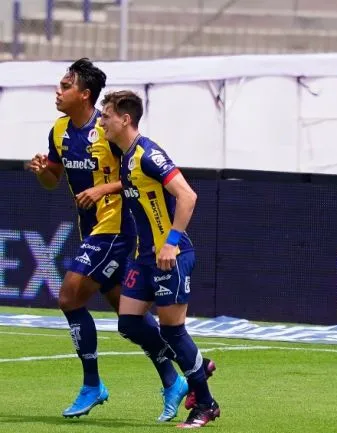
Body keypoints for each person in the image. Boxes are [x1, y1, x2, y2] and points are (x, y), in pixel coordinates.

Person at [25, 58, 188, 421]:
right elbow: (53, 178)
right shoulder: (60, 130)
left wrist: (104, 189)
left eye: (65, 86)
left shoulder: (108, 130)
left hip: (115, 230)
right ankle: (173, 379)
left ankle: (92, 384)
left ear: (85, 95)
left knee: (69, 296)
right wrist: (42, 171)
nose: (58, 91)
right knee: (129, 318)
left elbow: (137, 171)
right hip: (91, 230)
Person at [99, 90, 220, 428]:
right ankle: (197, 364)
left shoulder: (149, 154)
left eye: (106, 114)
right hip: (144, 259)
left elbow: (188, 195)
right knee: (129, 323)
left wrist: (171, 242)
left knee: (174, 331)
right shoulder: (125, 157)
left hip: (171, 257)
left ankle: (206, 406)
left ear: (125, 119)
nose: (102, 120)